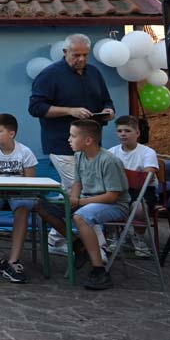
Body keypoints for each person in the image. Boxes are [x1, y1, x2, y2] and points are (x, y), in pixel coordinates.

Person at [29, 33, 114, 254]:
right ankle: (98, 247)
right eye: (76, 55)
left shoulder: (94, 73)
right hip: (61, 144)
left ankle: (55, 239)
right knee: (83, 193)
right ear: (65, 52)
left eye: (85, 55)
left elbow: (106, 99)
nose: (81, 59)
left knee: (74, 193)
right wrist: (69, 111)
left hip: (91, 146)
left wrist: (108, 110)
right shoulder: (50, 75)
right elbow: (36, 108)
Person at [35, 119, 130, 290]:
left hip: (113, 205)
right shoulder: (79, 156)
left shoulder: (109, 161)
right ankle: (78, 245)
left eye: (73, 136)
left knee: (81, 216)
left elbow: (112, 196)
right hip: (86, 200)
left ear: (88, 140)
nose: (69, 140)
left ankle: (99, 270)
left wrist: (80, 202)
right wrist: (73, 199)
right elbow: (78, 182)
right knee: (41, 205)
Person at [0, 113, 38, 284]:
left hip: (19, 193)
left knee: (22, 209)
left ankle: (14, 260)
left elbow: (30, 183)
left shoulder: (25, 152)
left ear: (11, 133)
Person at [107, 115, 159, 257]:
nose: (123, 134)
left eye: (127, 131)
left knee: (139, 208)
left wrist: (125, 175)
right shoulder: (111, 152)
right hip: (119, 190)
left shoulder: (147, 152)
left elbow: (148, 177)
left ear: (137, 133)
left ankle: (138, 237)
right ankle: (113, 236)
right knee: (105, 202)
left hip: (142, 191)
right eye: (119, 131)